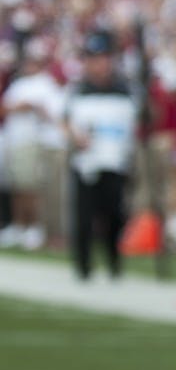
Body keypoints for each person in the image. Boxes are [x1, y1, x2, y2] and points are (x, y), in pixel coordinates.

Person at [63, 29, 139, 280]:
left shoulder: (124, 89)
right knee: (84, 217)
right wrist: (75, 135)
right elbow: (65, 120)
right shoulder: (78, 90)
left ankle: (114, 263)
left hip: (115, 162)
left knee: (114, 215)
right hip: (87, 162)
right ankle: (83, 266)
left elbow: (138, 122)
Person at [0, 36, 65, 250]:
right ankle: (19, 226)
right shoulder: (19, 83)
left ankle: (33, 226)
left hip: (33, 141)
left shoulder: (46, 84)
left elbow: (52, 114)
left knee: (31, 186)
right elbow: (5, 108)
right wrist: (23, 107)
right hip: (14, 139)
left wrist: (29, 107)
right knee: (17, 185)